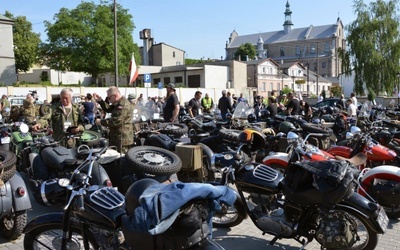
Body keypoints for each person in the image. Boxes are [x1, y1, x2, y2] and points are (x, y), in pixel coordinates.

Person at [93, 86, 134, 153]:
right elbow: (109, 108)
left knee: (120, 159)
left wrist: (100, 121)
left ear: (115, 95)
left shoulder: (123, 105)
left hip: (122, 139)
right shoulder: (118, 103)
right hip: (117, 137)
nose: (108, 100)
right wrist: (100, 100)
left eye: (109, 98)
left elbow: (116, 121)